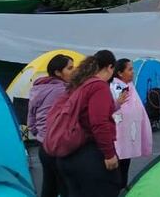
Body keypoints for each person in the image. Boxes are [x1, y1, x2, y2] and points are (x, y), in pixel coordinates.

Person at [55, 50, 121, 197]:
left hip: (68, 154)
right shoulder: (99, 87)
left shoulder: (79, 85)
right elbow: (99, 122)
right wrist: (109, 154)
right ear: (110, 67)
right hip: (90, 154)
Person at [28, 54, 74, 197]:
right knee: (66, 186)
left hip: (43, 146)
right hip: (58, 145)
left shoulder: (38, 88)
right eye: (70, 68)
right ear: (58, 72)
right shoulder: (62, 90)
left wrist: (40, 134)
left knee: (49, 185)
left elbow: (31, 119)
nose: (74, 71)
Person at [110, 59, 152, 188]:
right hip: (119, 137)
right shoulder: (116, 87)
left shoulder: (129, 86)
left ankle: (123, 187)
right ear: (120, 73)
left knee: (125, 165)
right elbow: (118, 112)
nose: (133, 72)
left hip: (127, 135)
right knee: (118, 171)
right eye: (130, 69)